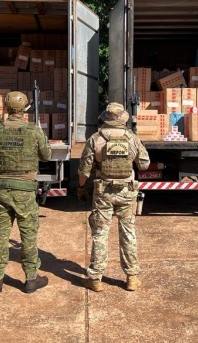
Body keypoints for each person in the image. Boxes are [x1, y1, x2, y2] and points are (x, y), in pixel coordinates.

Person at [0, 91, 52, 294]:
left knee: (1, 235)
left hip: (1, 191)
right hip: (25, 193)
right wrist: (40, 136)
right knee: (28, 236)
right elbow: (46, 155)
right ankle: (31, 279)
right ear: (25, 109)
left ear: (6, 108)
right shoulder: (33, 130)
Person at [77, 102, 150, 292]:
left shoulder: (95, 139)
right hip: (127, 192)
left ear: (106, 119)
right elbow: (144, 164)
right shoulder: (133, 138)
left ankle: (95, 278)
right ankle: (132, 277)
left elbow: (84, 171)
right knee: (128, 232)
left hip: (104, 192)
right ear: (123, 119)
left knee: (100, 233)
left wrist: (81, 187)